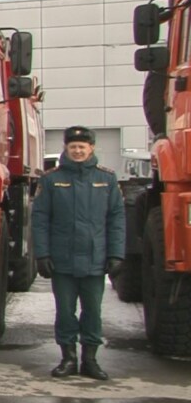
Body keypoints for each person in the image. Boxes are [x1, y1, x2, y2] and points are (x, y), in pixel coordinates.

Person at [32, 126, 125, 381]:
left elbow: (117, 219)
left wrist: (117, 254)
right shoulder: (51, 180)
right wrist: (41, 254)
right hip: (62, 260)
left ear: (91, 148)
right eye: (73, 146)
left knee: (93, 312)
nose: (78, 150)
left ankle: (91, 360)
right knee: (65, 312)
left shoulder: (107, 179)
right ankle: (68, 358)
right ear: (66, 148)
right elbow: (40, 219)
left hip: (96, 260)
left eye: (82, 146)